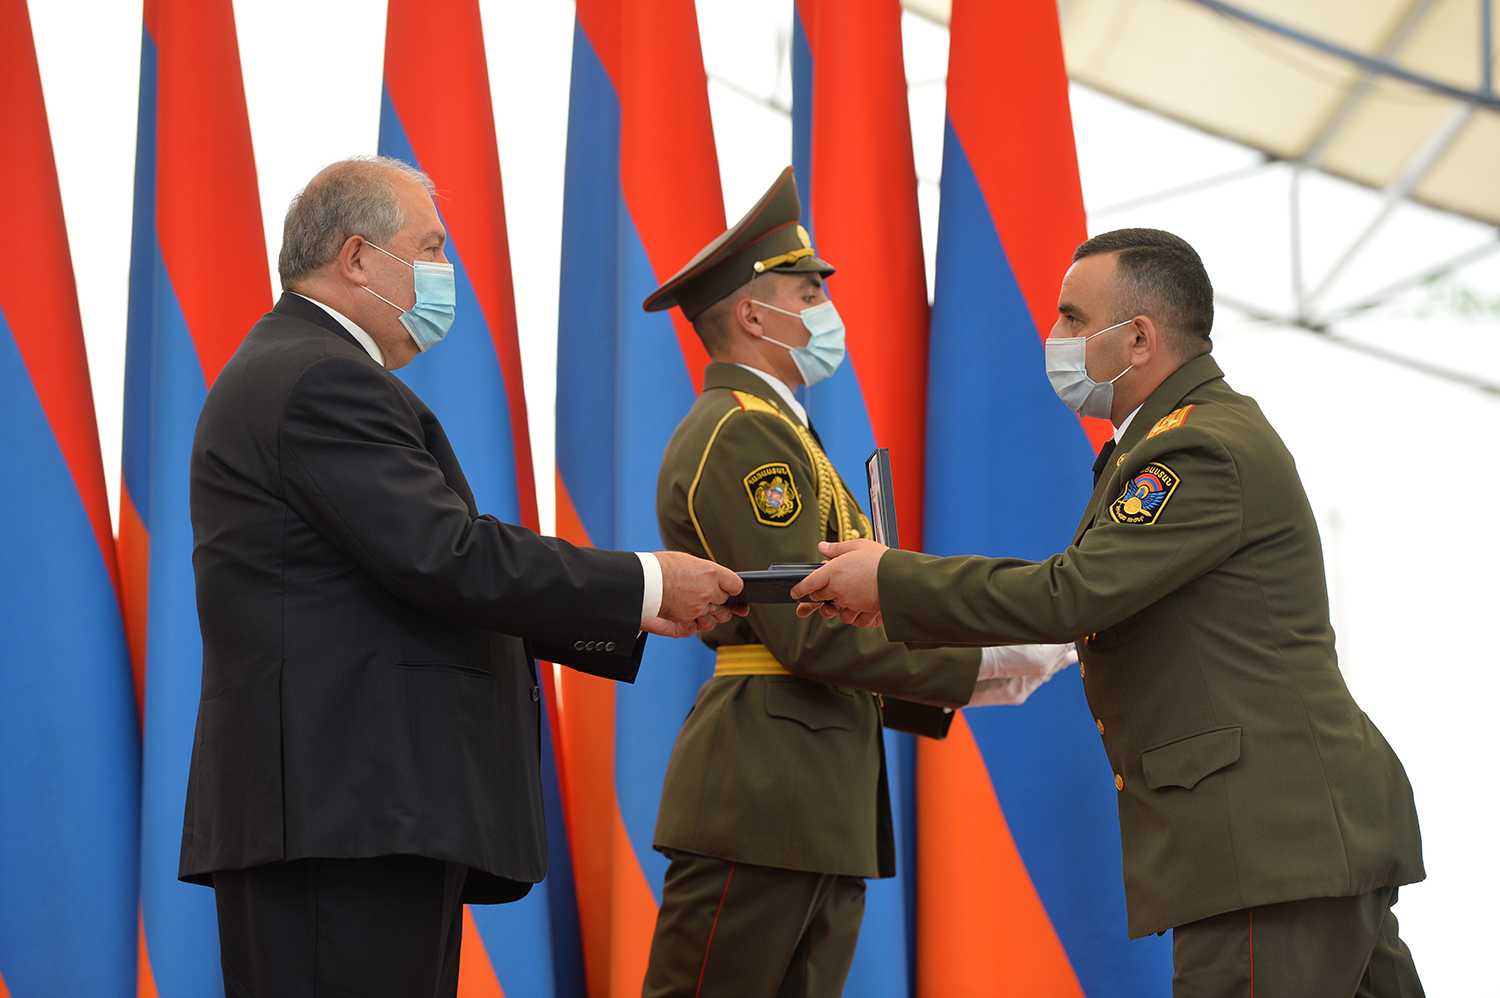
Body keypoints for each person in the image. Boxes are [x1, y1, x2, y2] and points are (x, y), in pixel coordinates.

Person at [792, 228, 1425, 997]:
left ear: (1139, 339)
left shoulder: (1196, 448)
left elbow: (1071, 595)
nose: (1053, 335)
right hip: (1298, 841)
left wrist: (891, 581)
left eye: (1072, 317)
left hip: (1269, 846)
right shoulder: (1166, 440)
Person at [179, 156, 744, 998]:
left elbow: (407, 573)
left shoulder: (297, 366)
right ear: (358, 256)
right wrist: (644, 584)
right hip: (347, 817)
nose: (447, 272)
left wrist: (632, 609)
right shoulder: (322, 377)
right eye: (432, 247)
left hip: (347, 813)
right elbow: (447, 556)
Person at [637, 167, 1075, 998]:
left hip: (811, 791)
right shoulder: (743, 435)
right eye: (807, 294)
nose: (824, 309)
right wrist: (977, 661)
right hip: (766, 788)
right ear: (752, 316)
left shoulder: (783, 433)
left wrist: (982, 669)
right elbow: (805, 628)